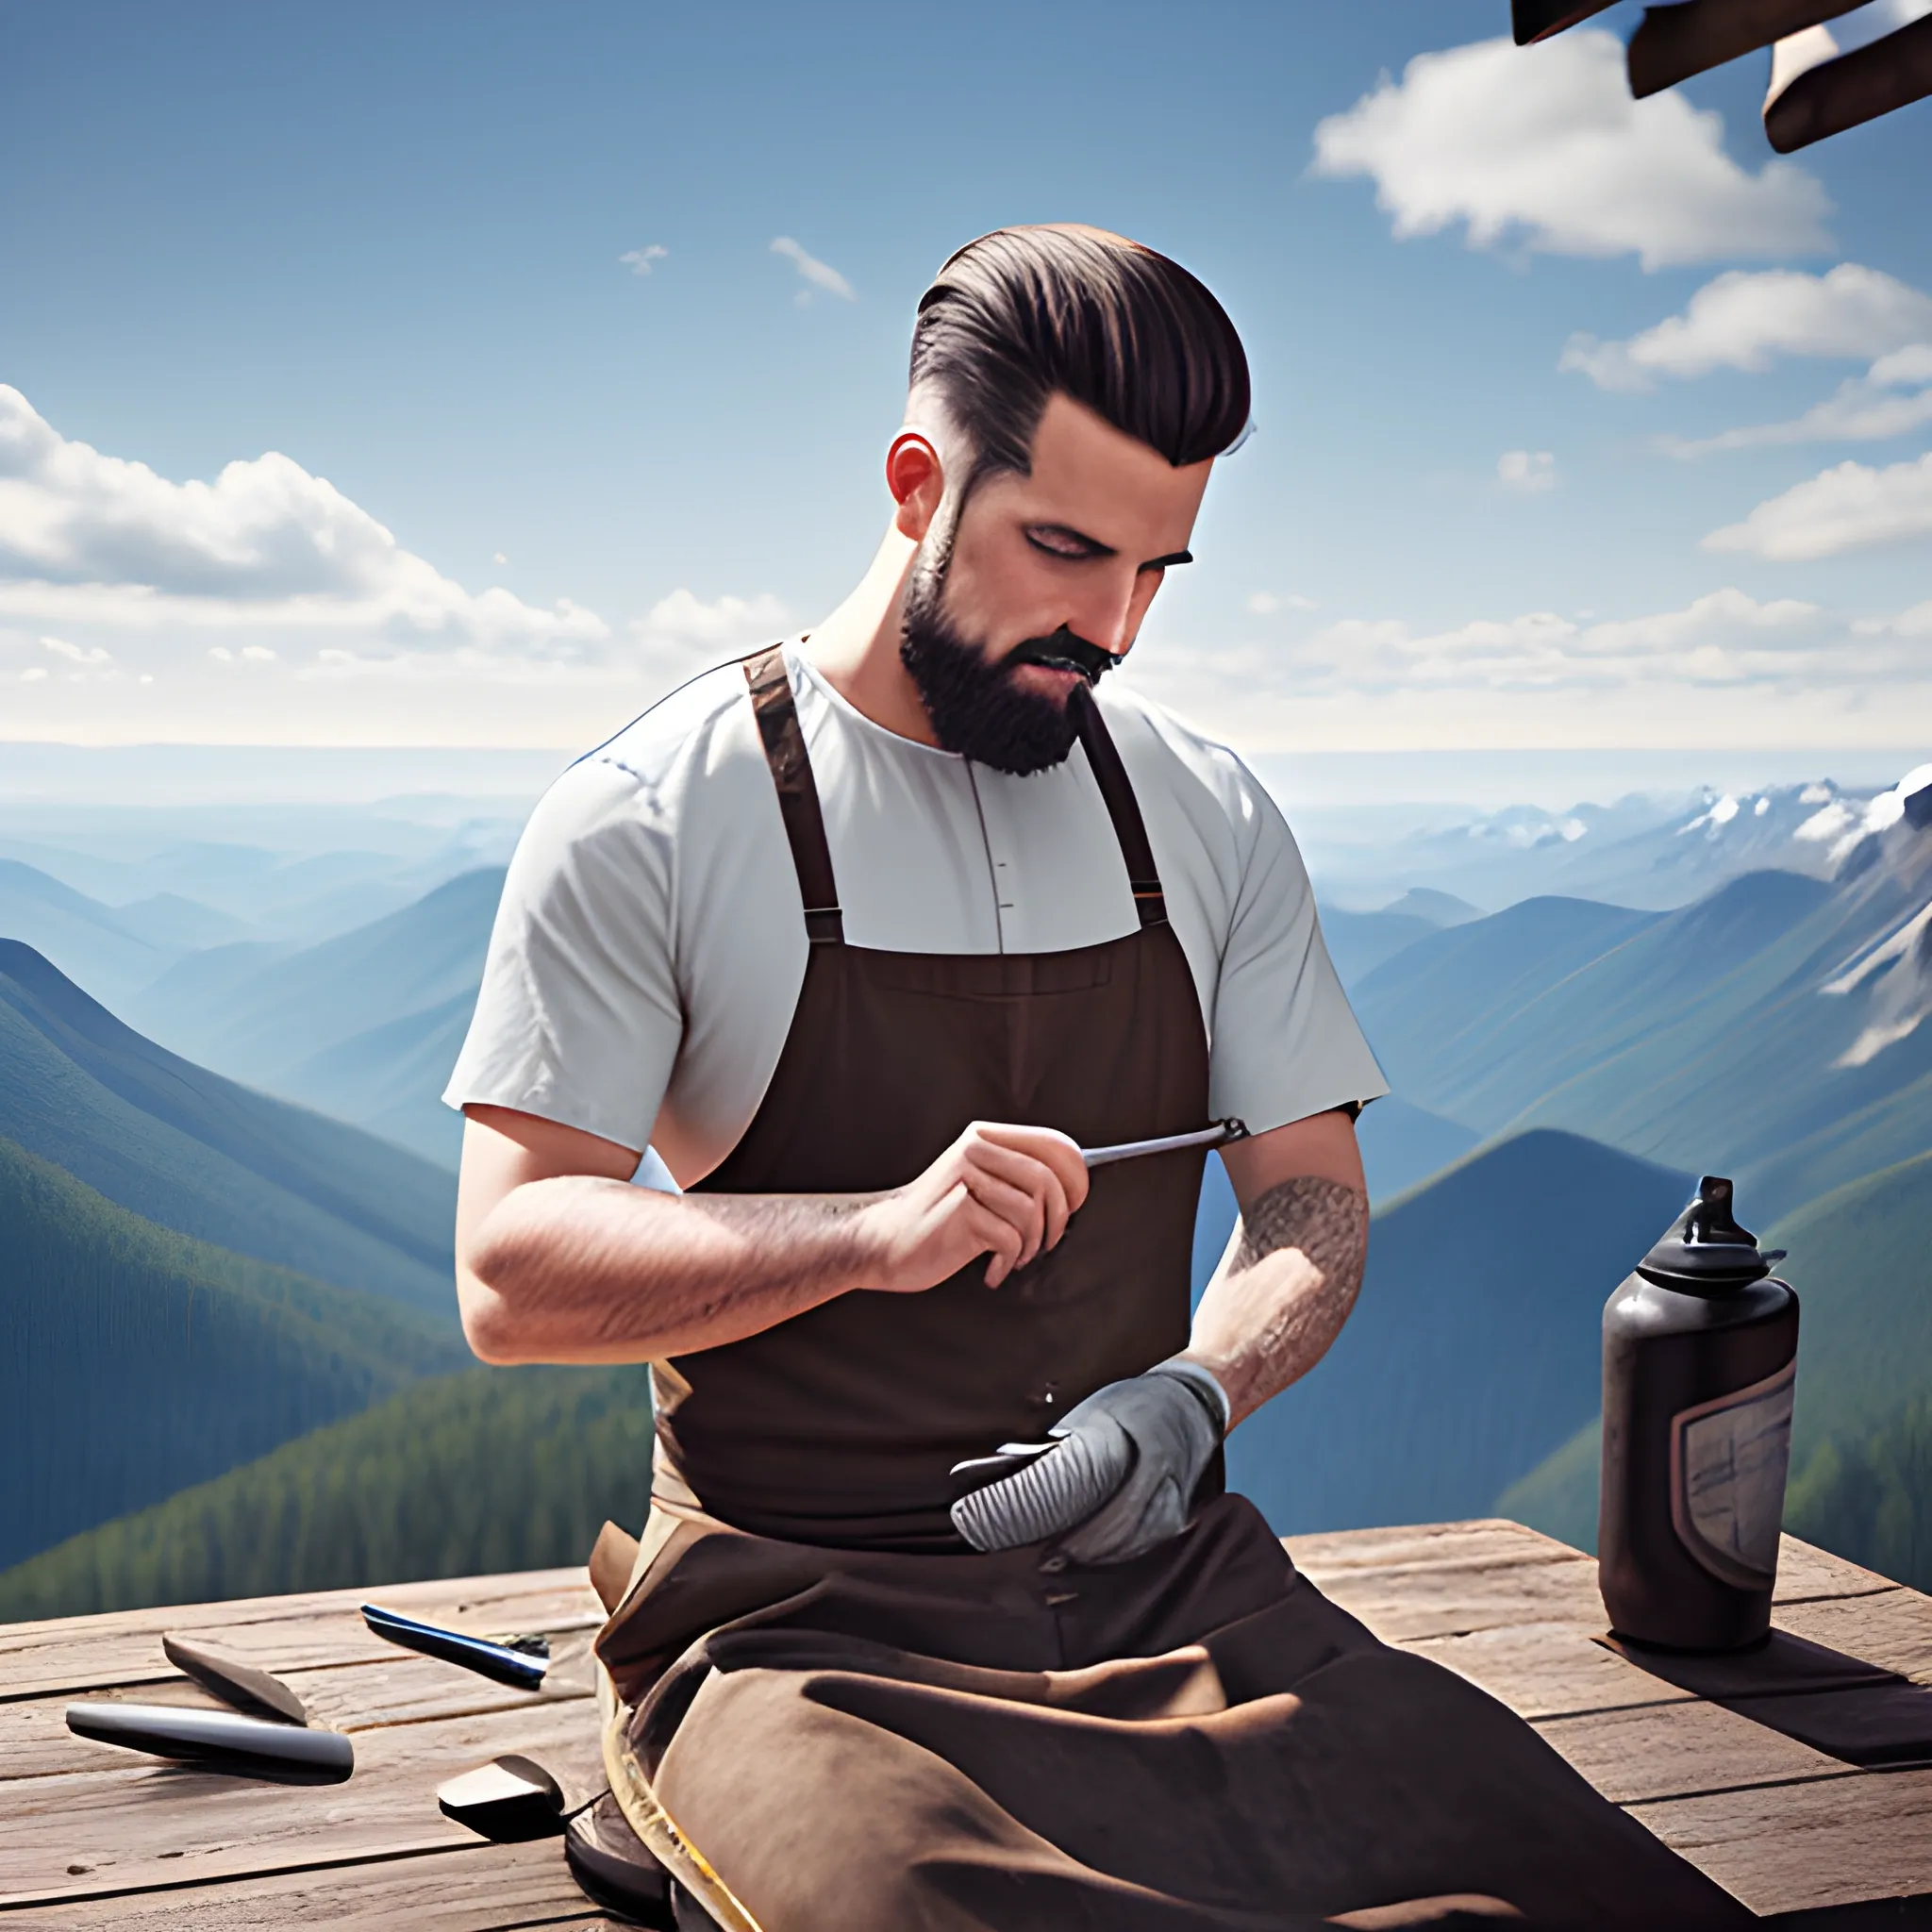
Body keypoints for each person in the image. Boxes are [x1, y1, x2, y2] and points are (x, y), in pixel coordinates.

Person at [445, 225, 1746, 1931]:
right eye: (1064, 549)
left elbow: (1308, 1202)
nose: (1113, 624)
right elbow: (511, 1269)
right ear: (918, 483)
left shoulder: (1205, 812)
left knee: (1592, 1892)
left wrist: (1198, 1392)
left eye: (1158, 569)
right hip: (800, 1633)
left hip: (1181, 1591)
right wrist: (865, 1233)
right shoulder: (651, 817)